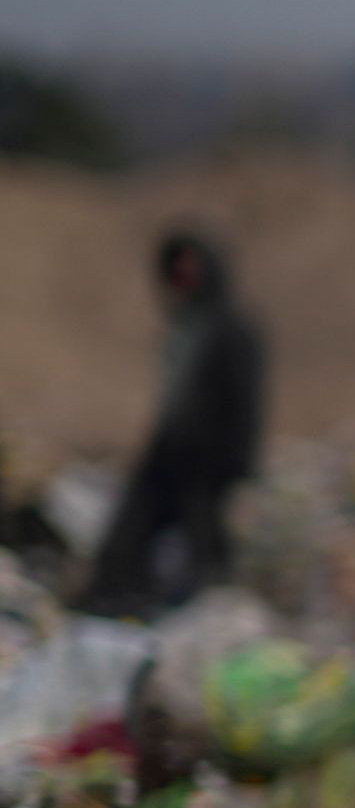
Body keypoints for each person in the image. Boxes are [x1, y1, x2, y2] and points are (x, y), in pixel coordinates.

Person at [83, 228, 265, 614]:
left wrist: (239, 466)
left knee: (205, 545)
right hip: (171, 451)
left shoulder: (232, 330)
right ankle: (118, 598)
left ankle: (205, 609)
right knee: (130, 533)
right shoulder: (182, 326)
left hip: (210, 460)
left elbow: (246, 404)